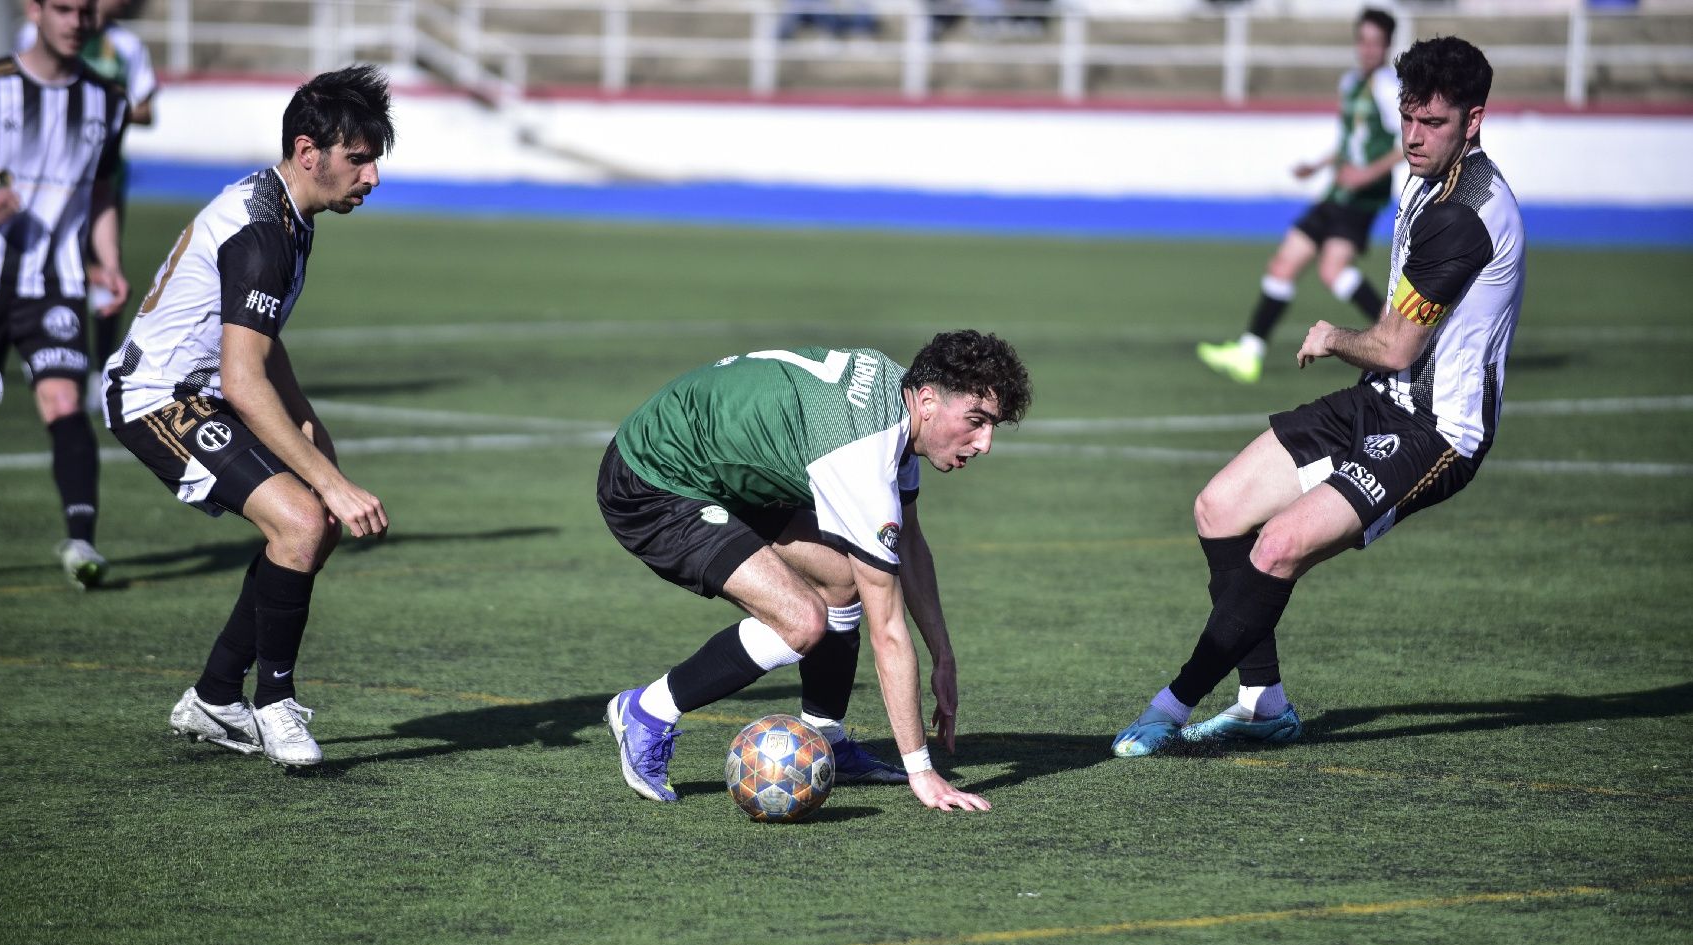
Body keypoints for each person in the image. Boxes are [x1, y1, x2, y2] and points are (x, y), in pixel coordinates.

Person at [1112, 35, 1524, 758]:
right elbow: (1396, 353)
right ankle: (1262, 703)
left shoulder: (1463, 213)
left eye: (1434, 123)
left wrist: (1335, 335)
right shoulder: (1425, 181)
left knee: (1277, 547)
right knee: (1217, 509)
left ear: (1474, 120)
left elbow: (1399, 346)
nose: (1416, 136)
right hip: (1382, 399)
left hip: (1438, 433)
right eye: (1409, 118)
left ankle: (1169, 705)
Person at [598, 330, 1032, 810]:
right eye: (976, 421)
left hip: (729, 469)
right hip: (653, 478)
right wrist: (922, 772)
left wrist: (943, 658)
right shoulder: (863, 458)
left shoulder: (898, 405)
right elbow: (888, 628)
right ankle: (646, 711)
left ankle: (824, 736)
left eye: (993, 426)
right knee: (801, 621)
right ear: (928, 402)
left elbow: (909, 541)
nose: (985, 443)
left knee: (841, 580)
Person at [103, 64, 395, 767]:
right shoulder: (266, 233)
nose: (373, 176)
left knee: (309, 529)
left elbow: (261, 346)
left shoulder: (289, 214)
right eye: (358, 158)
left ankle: (214, 695)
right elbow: (241, 373)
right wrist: (329, 481)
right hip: (157, 397)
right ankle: (274, 704)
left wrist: (307, 425)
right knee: (302, 518)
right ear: (307, 151)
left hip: (206, 391)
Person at [0, 0, 130, 588]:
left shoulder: (108, 100)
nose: (78, 22)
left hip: (54, 280)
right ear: (35, 10)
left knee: (64, 403)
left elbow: (99, 190)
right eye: (65, 9)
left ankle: (81, 544)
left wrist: (109, 260)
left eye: (87, 11)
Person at [1197, 8, 1402, 386]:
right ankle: (1249, 352)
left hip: (1362, 198)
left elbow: (1405, 144)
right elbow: (1348, 142)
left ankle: (1393, 336)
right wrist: (1319, 165)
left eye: (1376, 42)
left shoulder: (1391, 89)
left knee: (1332, 271)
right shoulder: (1351, 83)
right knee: (1283, 264)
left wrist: (1365, 175)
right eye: (1363, 40)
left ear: (1388, 44)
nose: (1368, 49)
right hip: (1336, 193)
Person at [18, 0, 159, 407]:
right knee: (44, 265)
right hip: (43, 180)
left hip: (103, 179)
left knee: (105, 273)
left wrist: (98, 106)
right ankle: (38, 352)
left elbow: (146, 109)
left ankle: (100, 368)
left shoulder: (126, 47)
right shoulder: (36, 35)